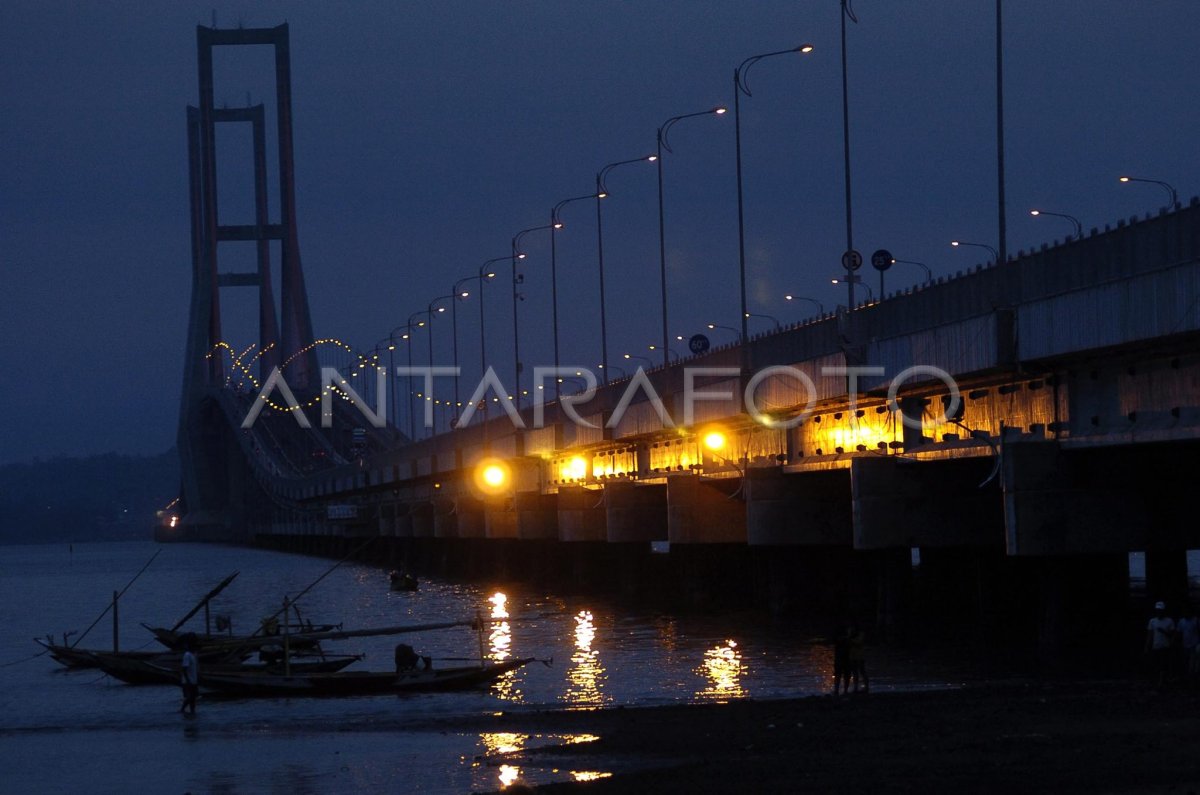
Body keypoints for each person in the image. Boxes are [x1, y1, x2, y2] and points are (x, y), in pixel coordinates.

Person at [1145, 601, 1176, 689]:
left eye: (1160, 610)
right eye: (1158, 610)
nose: (1159, 612)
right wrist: (1147, 646)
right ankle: (1158, 680)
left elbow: (1173, 634)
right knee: (1156, 664)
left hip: (1165, 646)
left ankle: (1161, 681)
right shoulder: (1152, 621)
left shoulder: (1169, 621)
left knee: (1163, 664)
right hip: (1156, 646)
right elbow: (1150, 635)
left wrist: (1164, 632)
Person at [1177, 605, 1199, 686]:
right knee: (1186, 663)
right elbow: (1179, 633)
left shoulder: (1196, 620)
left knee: (1192, 664)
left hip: (1194, 645)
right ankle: (1188, 681)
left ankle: (1192, 681)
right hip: (1185, 645)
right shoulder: (1181, 621)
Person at [179, 635, 200, 714]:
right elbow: (184, 669)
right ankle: (182, 710)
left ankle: (192, 712)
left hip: (193, 680)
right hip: (188, 681)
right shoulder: (187, 655)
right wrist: (188, 680)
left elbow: (195, 668)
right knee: (190, 697)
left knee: (193, 698)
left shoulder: (193, 655)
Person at [847, 624, 869, 694]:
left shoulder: (861, 633)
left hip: (860, 655)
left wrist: (850, 640)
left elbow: (859, 642)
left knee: (862, 671)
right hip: (853, 655)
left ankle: (866, 687)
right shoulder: (851, 632)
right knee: (855, 672)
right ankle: (856, 688)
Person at [831, 624, 850, 695]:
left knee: (842, 674)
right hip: (842, 657)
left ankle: (840, 690)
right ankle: (841, 690)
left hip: (843, 657)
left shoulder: (846, 635)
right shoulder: (847, 635)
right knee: (841, 674)